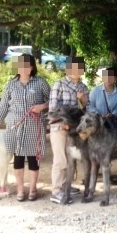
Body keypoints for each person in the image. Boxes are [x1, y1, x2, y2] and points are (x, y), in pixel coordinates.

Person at [0, 54, 50, 202]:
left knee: (33, 159)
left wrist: (42, 106)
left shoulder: (40, 83)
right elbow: (4, 105)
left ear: (31, 67)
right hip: (15, 126)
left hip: (34, 125)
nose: (22, 68)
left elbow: (52, 101)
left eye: (26, 65)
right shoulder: (11, 84)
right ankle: (20, 189)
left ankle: (32, 189)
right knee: (17, 158)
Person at [48, 56, 89, 204]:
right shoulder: (59, 84)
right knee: (60, 159)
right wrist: (64, 122)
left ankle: (67, 185)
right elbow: (52, 109)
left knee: (71, 157)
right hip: (59, 126)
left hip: (75, 129)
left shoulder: (83, 87)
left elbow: (86, 110)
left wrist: (83, 100)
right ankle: (57, 190)